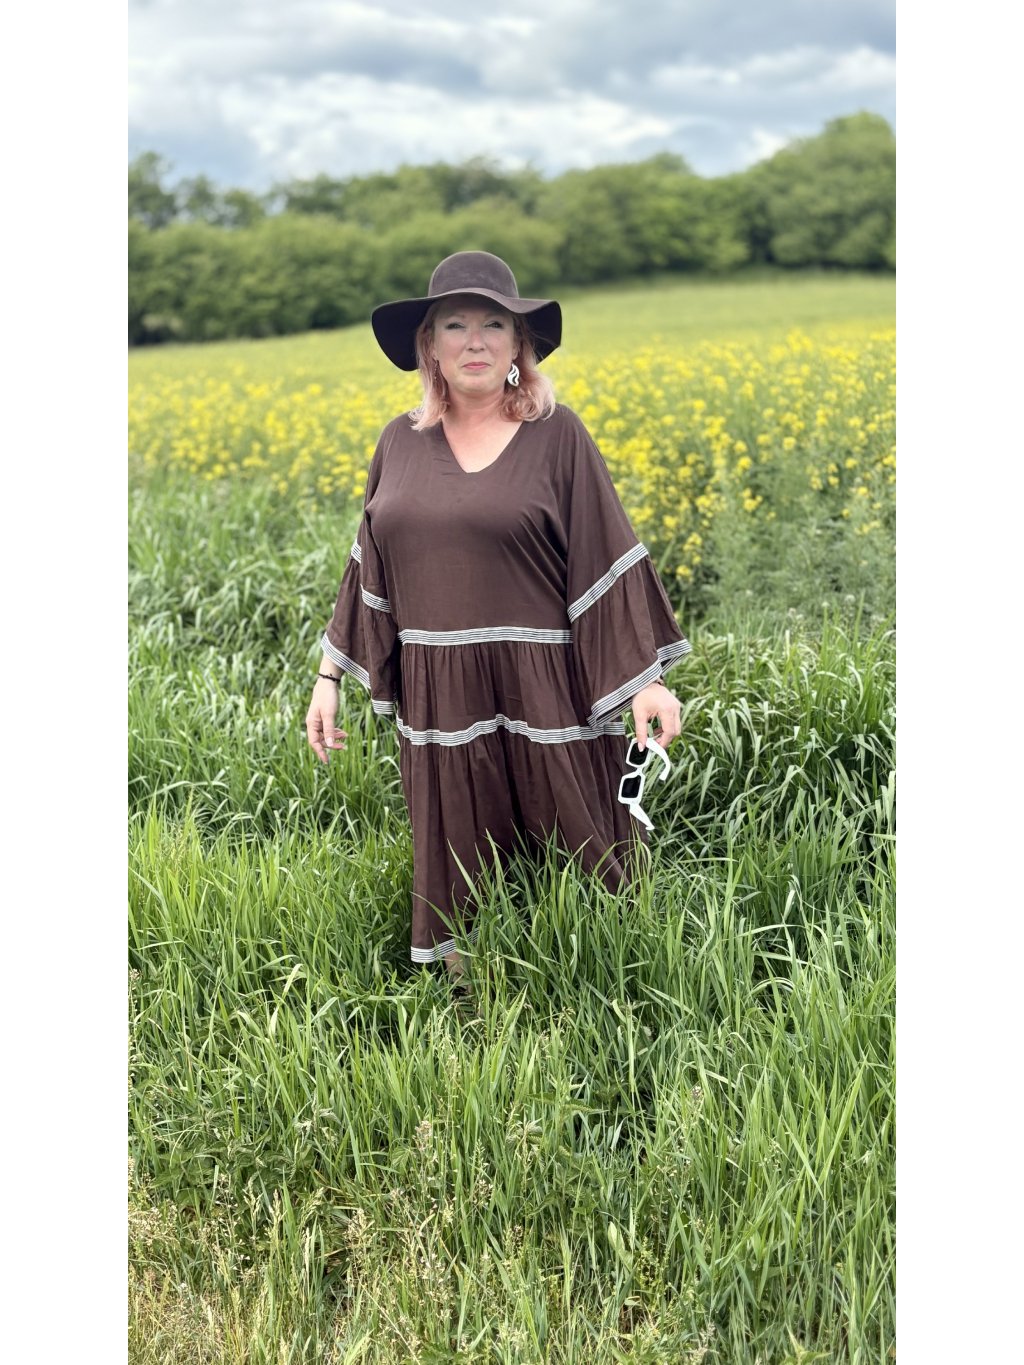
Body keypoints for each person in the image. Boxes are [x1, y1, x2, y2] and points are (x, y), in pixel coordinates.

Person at [305, 251, 691, 988]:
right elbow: (367, 566)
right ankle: (467, 999)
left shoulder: (558, 434)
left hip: (546, 687)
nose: (475, 341)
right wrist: (329, 678)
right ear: (430, 345)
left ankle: (608, 981)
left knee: (583, 845)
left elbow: (605, 553)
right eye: (455, 324)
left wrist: (646, 680)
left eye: (494, 324)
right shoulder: (398, 441)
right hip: (440, 693)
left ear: (520, 345)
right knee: (454, 840)